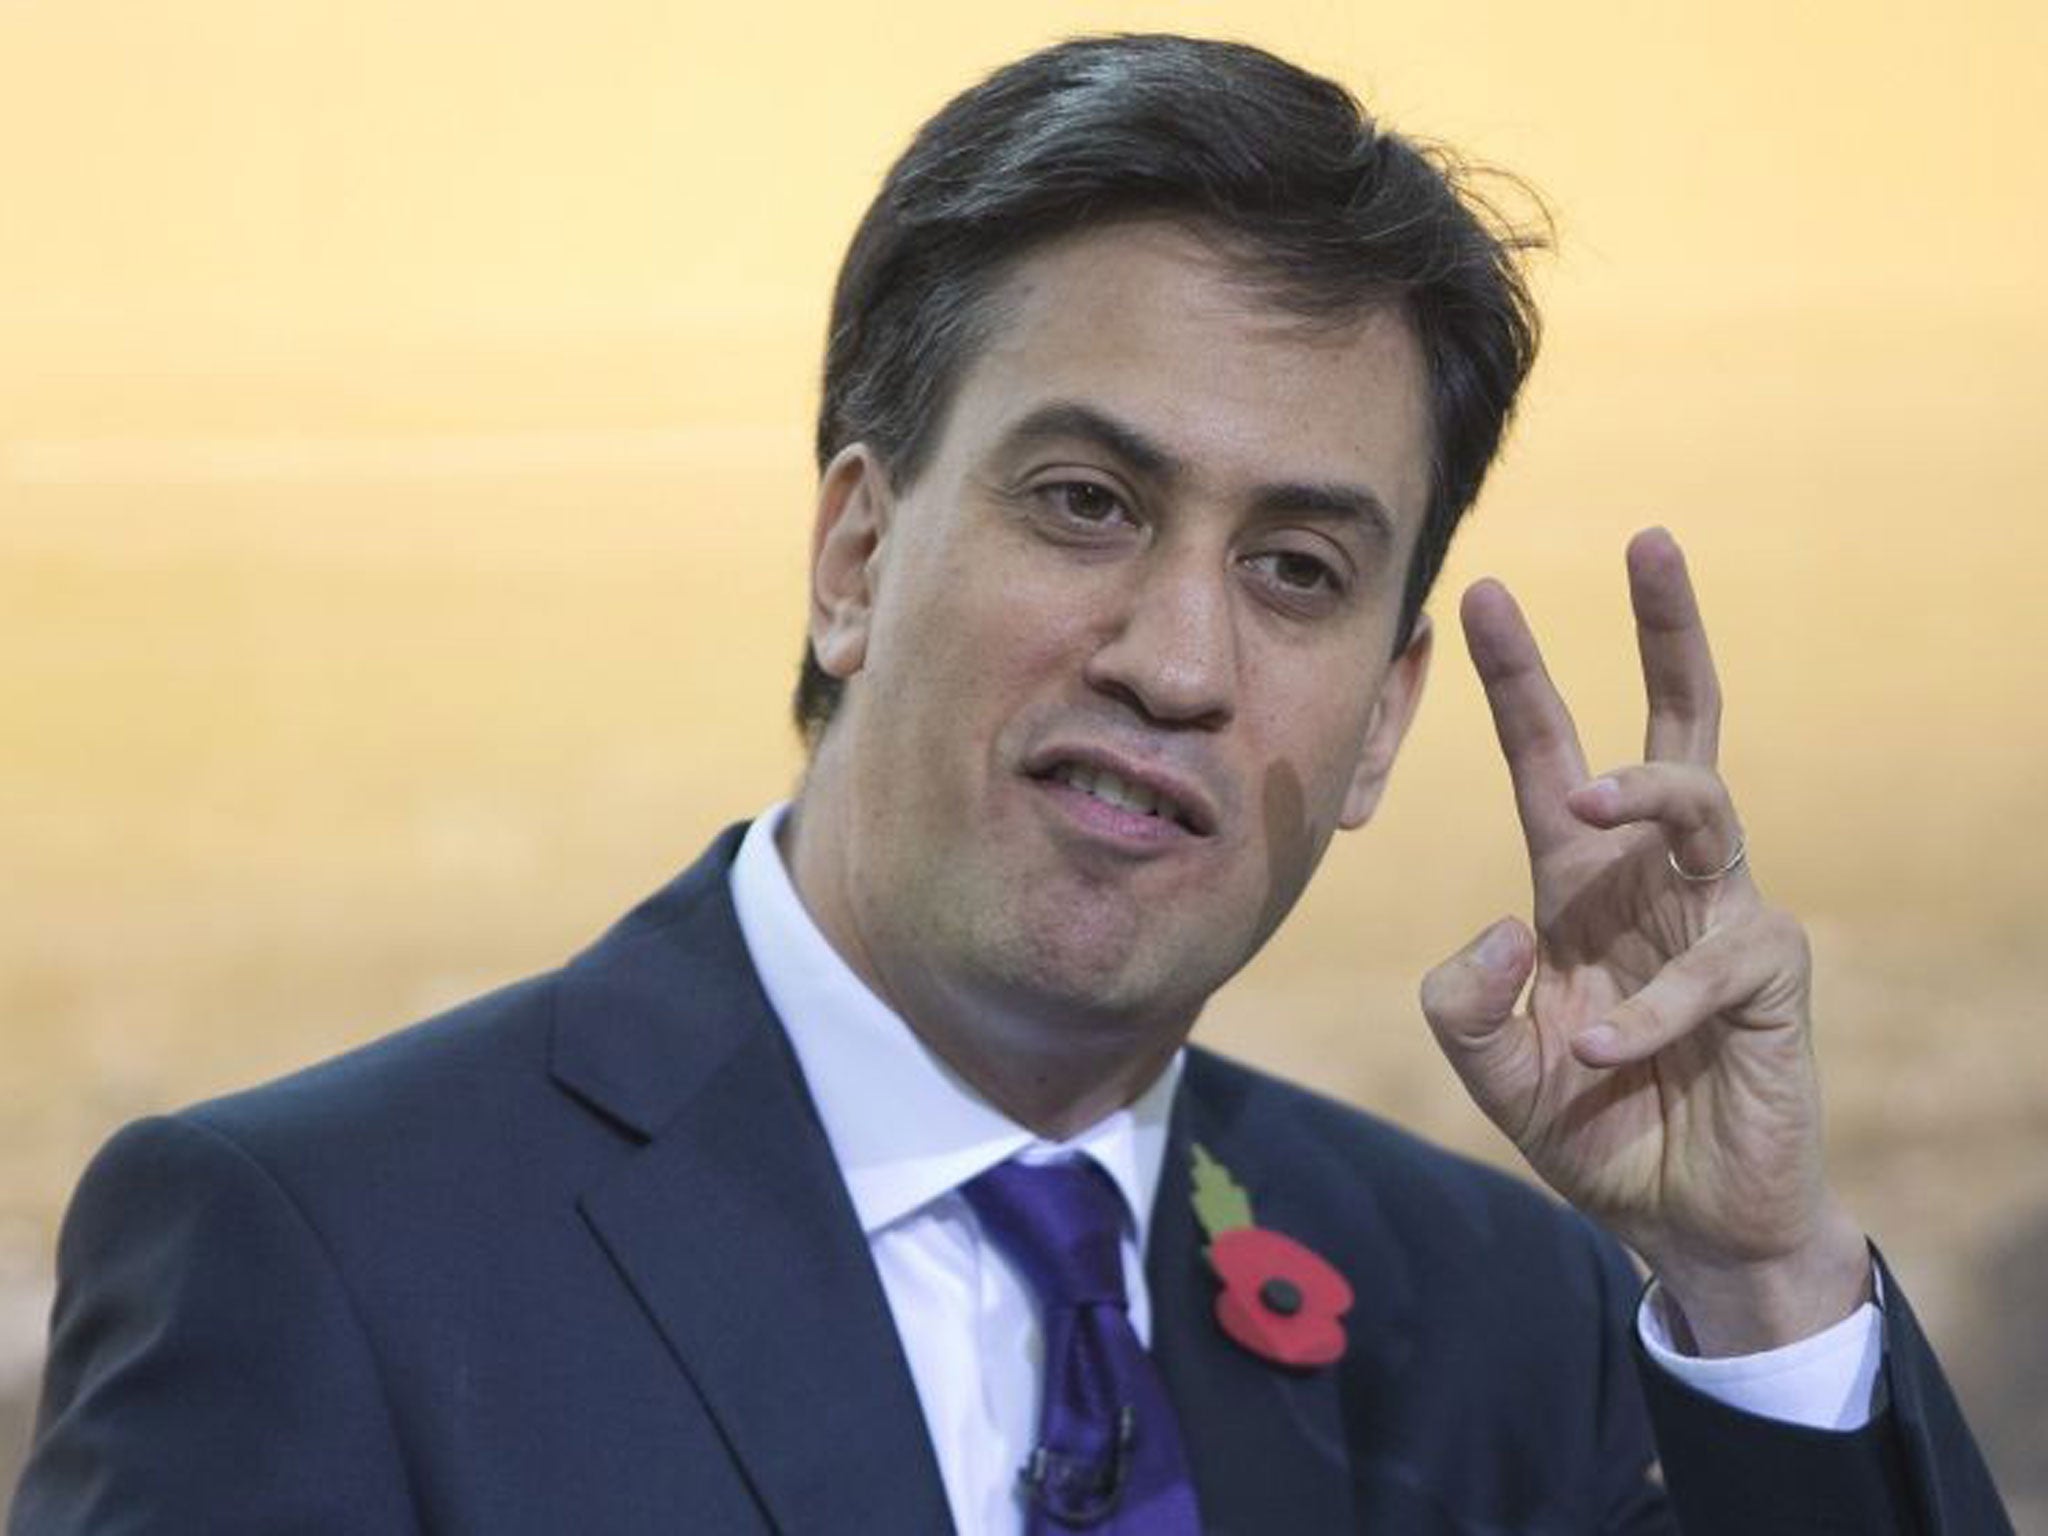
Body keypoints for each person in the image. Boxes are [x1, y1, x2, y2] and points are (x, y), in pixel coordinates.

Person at [10, 33, 2011, 1536]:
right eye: (1084, 502)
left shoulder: (1496, 1315)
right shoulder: (323, 1254)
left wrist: (1754, 1274)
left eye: (1297, 571)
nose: (1177, 657)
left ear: (1387, 721)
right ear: (856, 555)